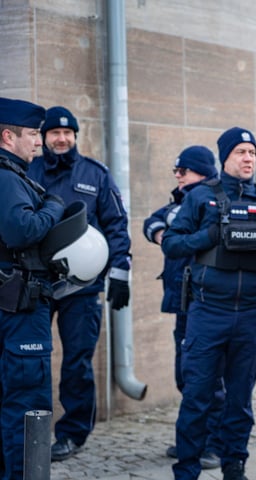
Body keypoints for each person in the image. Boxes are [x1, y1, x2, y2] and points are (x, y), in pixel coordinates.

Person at [162, 127, 256, 480]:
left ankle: (234, 467)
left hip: (252, 314)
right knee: (197, 399)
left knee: (240, 401)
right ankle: (186, 470)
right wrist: (209, 235)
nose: (248, 158)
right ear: (225, 158)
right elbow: (172, 244)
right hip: (207, 312)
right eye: (240, 152)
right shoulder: (200, 197)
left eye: (252, 152)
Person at [27, 106, 132, 461]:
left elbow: (117, 225)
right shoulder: (28, 169)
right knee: (32, 358)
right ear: (42, 138)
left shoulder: (96, 174)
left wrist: (120, 273)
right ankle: (29, 429)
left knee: (77, 361)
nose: (61, 139)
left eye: (67, 133)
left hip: (82, 287)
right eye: (54, 133)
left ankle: (72, 434)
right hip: (36, 282)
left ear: (75, 136)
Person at [142, 146, 223, 470]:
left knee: (210, 378)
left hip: (206, 302)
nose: (177, 176)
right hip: (182, 301)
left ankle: (215, 445)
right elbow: (152, 222)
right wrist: (165, 234)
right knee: (187, 375)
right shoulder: (179, 203)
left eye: (183, 171)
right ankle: (194, 439)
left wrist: (175, 229)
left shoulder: (212, 199)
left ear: (202, 172)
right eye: (176, 171)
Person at [0, 98, 65, 479]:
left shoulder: (15, 176)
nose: (39, 142)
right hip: (20, 311)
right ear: (8, 137)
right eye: (33, 134)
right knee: (27, 407)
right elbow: (21, 230)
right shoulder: (8, 178)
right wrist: (55, 207)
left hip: (16, 304)